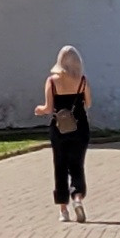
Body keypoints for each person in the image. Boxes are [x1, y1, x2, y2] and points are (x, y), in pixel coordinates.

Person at [37, 47, 92, 223]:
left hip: (60, 127)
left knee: (60, 165)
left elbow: (47, 107)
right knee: (77, 164)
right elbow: (88, 103)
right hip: (80, 126)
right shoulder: (82, 81)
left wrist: (39, 110)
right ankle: (77, 197)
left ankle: (63, 209)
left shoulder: (52, 81)